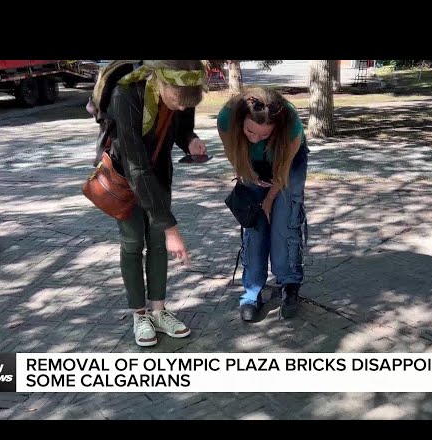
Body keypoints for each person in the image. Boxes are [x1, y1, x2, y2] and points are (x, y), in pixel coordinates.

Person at [95, 60, 208, 347]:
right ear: (159, 82)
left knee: (158, 243)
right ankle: (139, 314)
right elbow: (136, 166)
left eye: (187, 104)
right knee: (134, 243)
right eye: (176, 102)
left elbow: (181, 124)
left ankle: (158, 311)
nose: (181, 108)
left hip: (158, 171)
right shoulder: (127, 94)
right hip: (124, 173)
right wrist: (171, 227)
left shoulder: (185, 87)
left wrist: (190, 139)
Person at [217, 86, 308, 322]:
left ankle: (289, 282)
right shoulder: (227, 118)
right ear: (241, 121)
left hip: (287, 165)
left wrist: (268, 200)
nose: (255, 138)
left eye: (263, 135)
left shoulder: (291, 124)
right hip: (251, 164)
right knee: (255, 226)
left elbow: (283, 171)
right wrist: (246, 173)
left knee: (283, 223)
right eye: (250, 131)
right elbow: (232, 152)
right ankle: (252, 292)